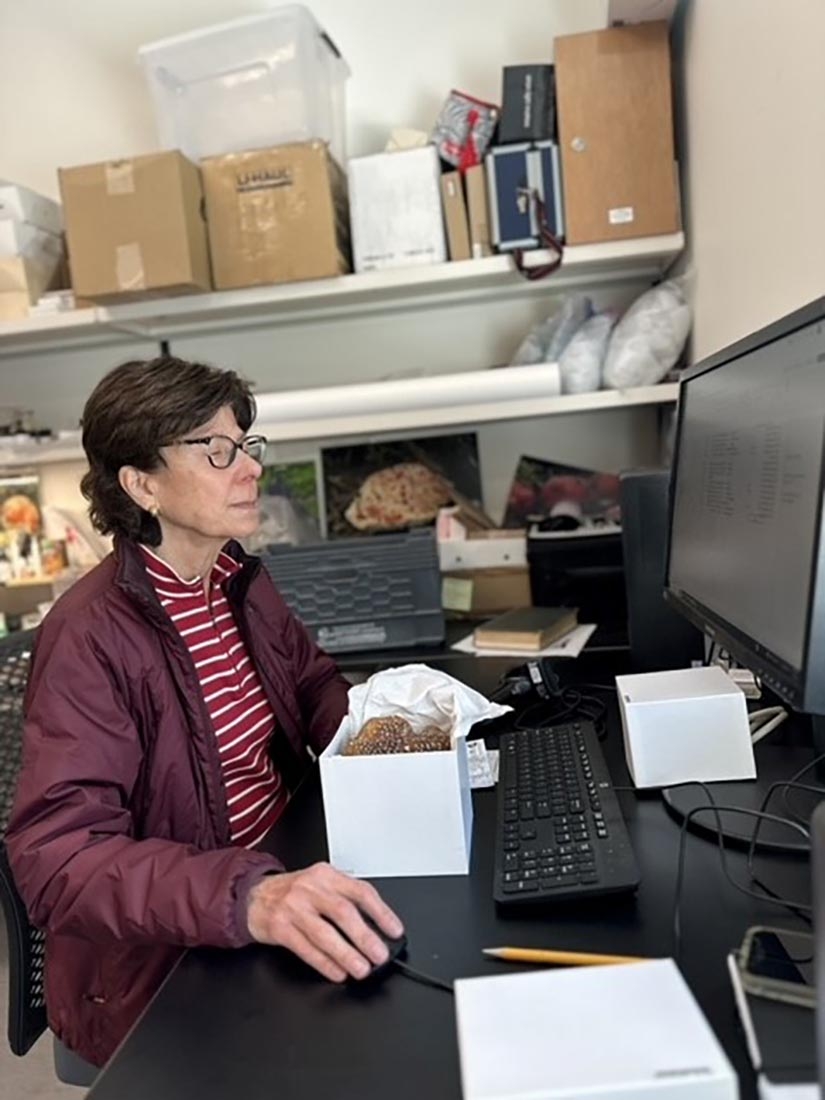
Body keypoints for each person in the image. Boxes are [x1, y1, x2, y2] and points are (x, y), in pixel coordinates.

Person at [5, 356, 404, 1074]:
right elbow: (57, 861)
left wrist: (398, 738)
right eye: (215, 451)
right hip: (174, 954)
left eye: (244, 447)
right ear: (141, 483)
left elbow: (313, 686)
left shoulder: (233, 577)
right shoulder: (90, 636)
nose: (247, 469)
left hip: (283, 871)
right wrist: (249, 893)